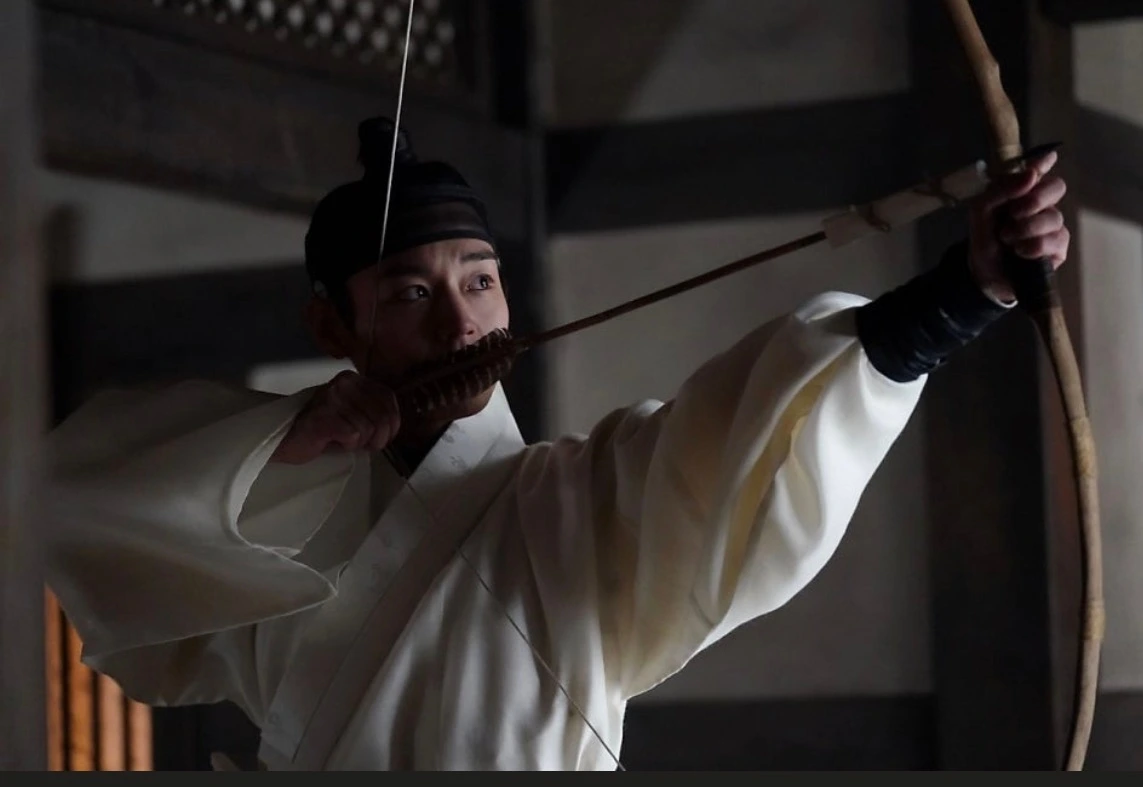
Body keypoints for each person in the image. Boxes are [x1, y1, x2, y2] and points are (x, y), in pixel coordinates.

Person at [42, 117, 1071, 771]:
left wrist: (959, 294)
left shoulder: (577, 502)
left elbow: (737, 448)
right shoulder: (273, 496)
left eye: (480, 281)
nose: (463, 325)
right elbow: (71, 504)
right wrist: (282, 444)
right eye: (410, 294)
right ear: (331, 327)